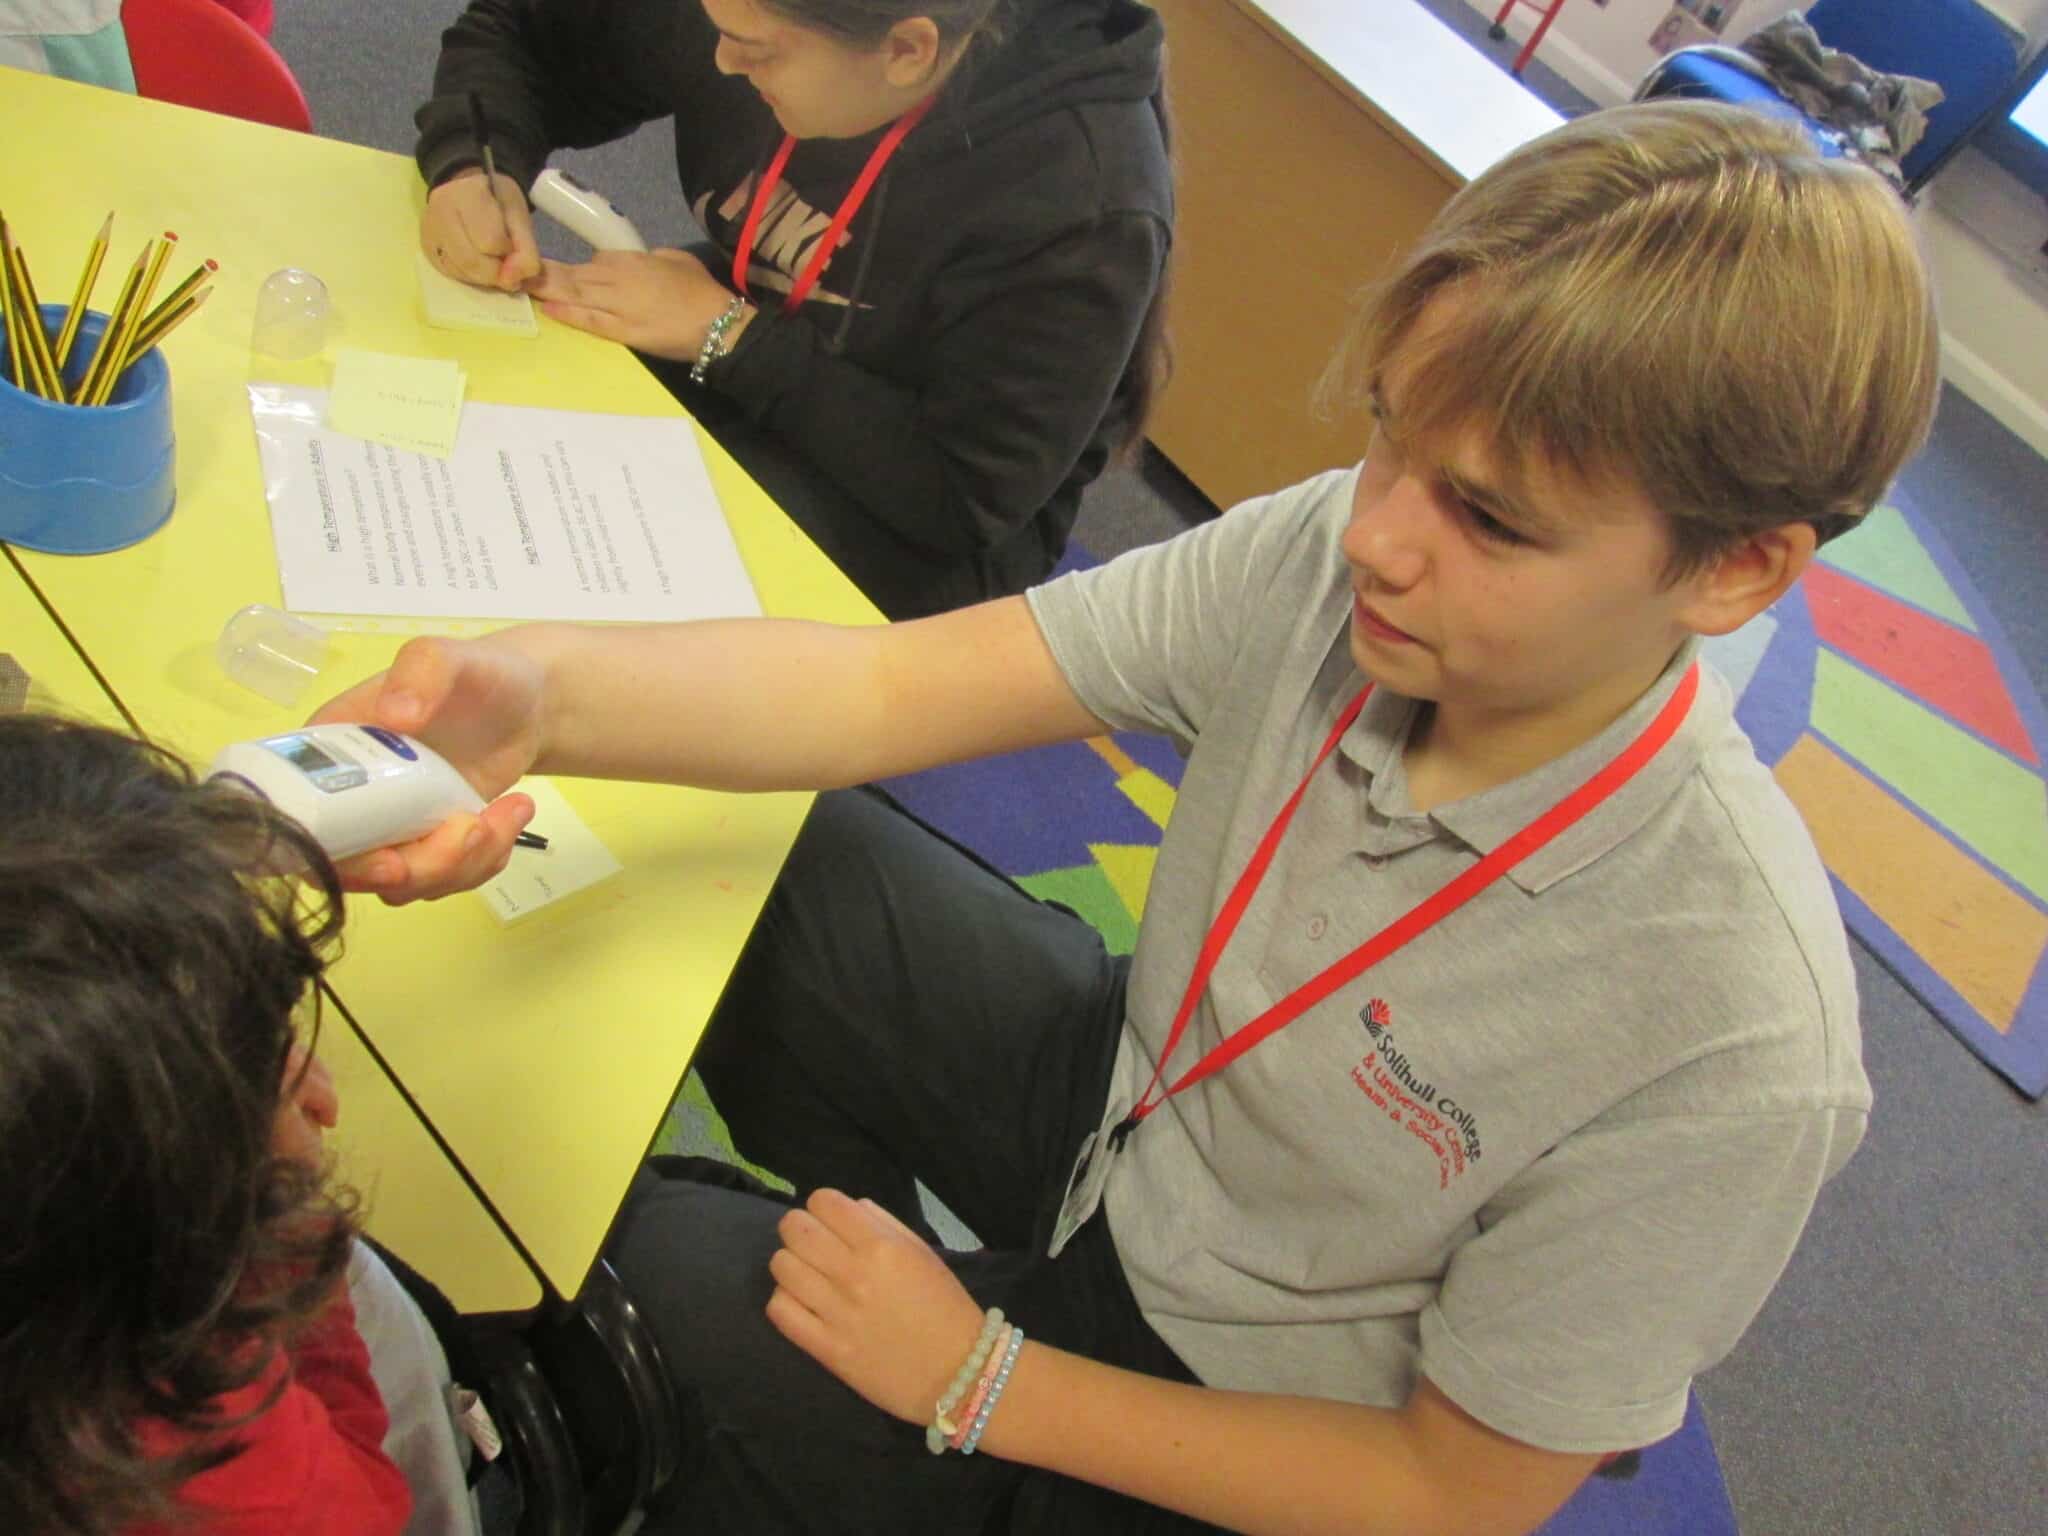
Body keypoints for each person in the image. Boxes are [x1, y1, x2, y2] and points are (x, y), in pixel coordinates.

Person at [319, 101, 1939, 1534]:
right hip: (1144, 1099)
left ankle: (855, 1420)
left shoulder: (1734, 1038)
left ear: (1735, 571)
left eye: (1491, 520)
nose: (1376, 535)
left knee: (644, 1293)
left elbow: (1449, 1492)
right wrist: (537, 689)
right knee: (754, 855)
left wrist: (981, 1381)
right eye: (1387, 431)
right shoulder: (1339, 552)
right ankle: (874, 1364)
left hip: (1259, 1390)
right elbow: (890, 694)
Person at [416, 0, 1173, 620]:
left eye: (756, 51)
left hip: (921, 501)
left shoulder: (1084, 207)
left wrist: (731, 337)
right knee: (505, 431)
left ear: (907, 52)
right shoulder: (754, 13)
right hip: (760, 326)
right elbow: (518, 34)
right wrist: (470, 162)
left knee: (610, 588)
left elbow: (957, 500)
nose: (719, 63)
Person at [0, 715, 470, 1536]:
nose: (322, 1096)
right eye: (258, 1077)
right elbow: (372, 1492)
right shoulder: (239, 1484)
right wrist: (283, 1244)